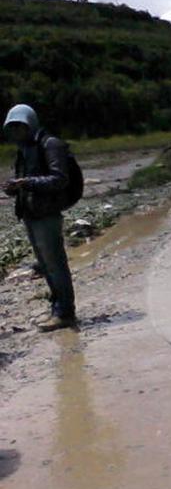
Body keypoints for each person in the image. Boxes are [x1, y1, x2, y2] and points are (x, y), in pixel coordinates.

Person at [3, 105, 76, 331]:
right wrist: (15, 188)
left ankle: (65, 313)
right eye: (12, 128)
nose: (16, 132)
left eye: (20, 127)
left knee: (55, 264)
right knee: (45, 265)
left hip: (47, 213)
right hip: (31, 213)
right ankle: (57, 308)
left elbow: (59, 179)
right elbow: (29, 180)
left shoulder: (50, 144)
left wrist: (27, 183)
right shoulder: (25, 149)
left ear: (30, 123)